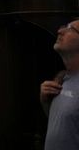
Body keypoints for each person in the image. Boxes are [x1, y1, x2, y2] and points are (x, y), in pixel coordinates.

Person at [40, 18, 79, 149]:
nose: (59, 31)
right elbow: (66, 126)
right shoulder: (61, 79)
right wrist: (46, 102)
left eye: (69, 29)